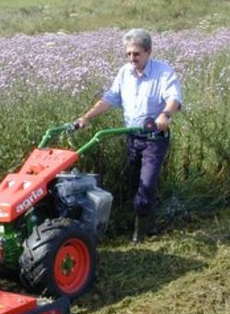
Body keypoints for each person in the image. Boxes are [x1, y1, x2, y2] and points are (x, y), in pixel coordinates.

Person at [75, 28, 182, 243]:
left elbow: (174, 98)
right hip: (132, 138)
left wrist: (165, 115)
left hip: (154, 139)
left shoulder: (163, 72)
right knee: (136, 183)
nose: (132, 58)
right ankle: (149, 221)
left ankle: (139, 235)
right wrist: (86, 118)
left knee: (146, 184)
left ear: (148, 52)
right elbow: (110, 98)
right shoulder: (125, 73)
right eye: (129, 54)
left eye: (136, 54)